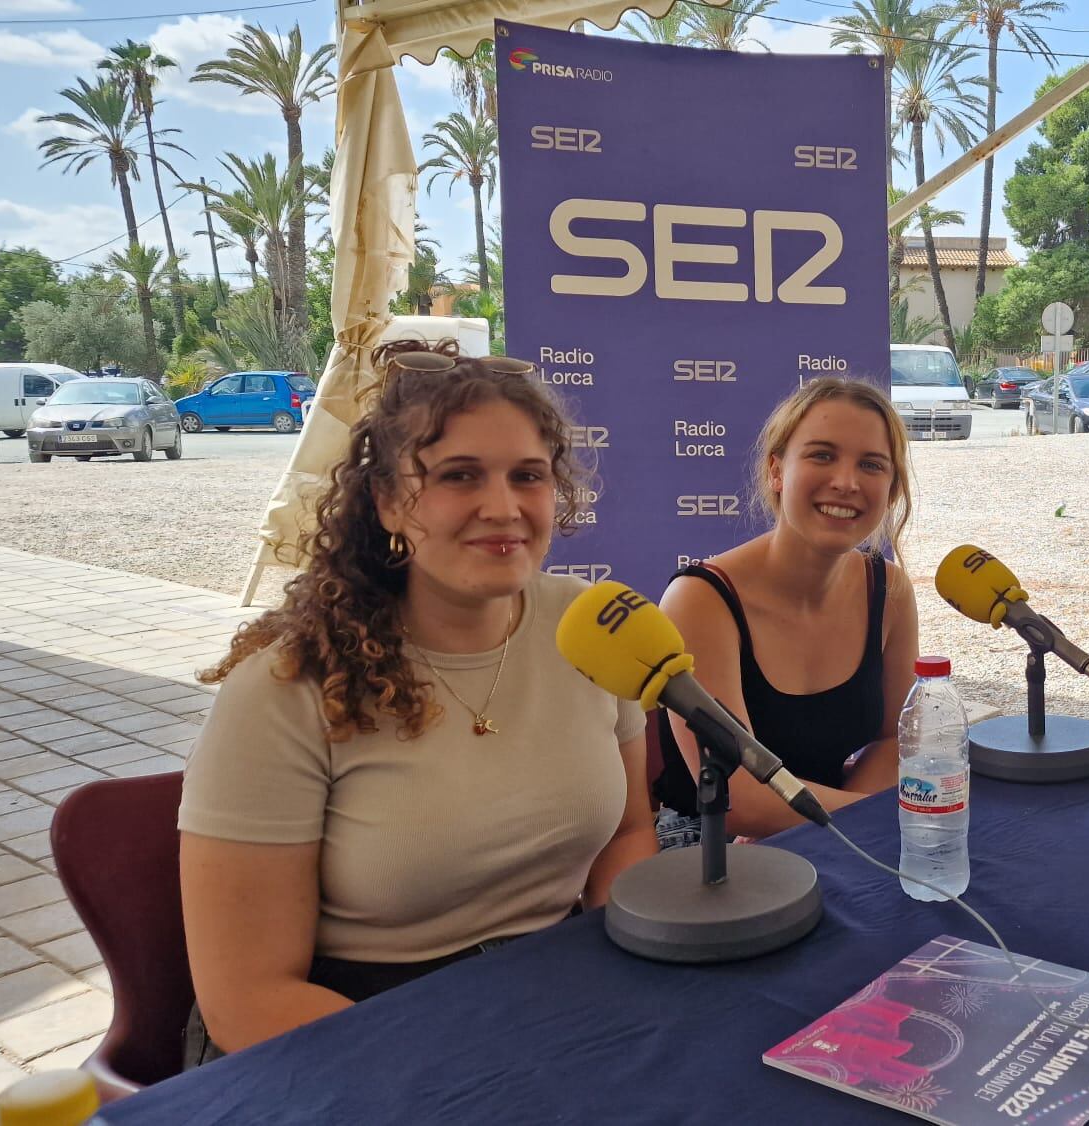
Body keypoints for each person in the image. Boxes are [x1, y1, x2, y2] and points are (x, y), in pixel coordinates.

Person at [178, 341, 656, 1059]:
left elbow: (627, 837)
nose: (504, 507)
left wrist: (629, 975)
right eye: (459, 476)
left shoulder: (587, 628)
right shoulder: (285, 690)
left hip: (549, 1000)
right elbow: (246, 1000)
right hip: (344, 1034)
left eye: (528, 476)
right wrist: (472, 1069)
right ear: (388, 502)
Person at [655, 376, 920, 842]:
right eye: (822, 455)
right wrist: (881, 818)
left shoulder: (889, 589)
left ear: (892, 487)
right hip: (708, 846)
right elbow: (738, 798)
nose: (846, 482)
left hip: (837, 826)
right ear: (777, 471)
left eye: (872, 464)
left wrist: (852, 825)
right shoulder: (699, 599)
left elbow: (895, 740)